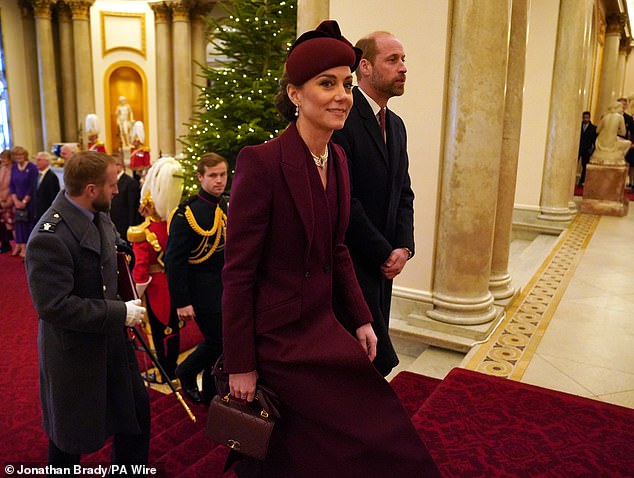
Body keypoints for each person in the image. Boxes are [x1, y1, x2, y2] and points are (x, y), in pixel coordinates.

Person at [222, 20, 439, 478]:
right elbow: (238, 275)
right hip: (276, 341)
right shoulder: (259, 164)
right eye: (326, 84)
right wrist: (242, 366)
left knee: (381, 429)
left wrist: (362, 318)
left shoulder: (336, 159)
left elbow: (338, 249)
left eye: (345, 82)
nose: (341, 94)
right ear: (296, 94)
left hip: (322, 325)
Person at [24, 151, 150, 470]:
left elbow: (111, 245)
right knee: (69, 441)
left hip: (111, 343)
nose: (117, 190)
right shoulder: (48, 237)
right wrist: (120, 313)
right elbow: (54, 306)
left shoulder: (97, 211)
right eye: (112, 185)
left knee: (135, 416)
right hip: (75, 353)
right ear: (91, 189)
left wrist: (127, 260)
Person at [332, 31, 414, 377]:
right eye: (393, 60)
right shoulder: (342, 121)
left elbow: (404, 192)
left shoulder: (395, 125)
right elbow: (344, 198)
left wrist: (404, 246)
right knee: (357, 358)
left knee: (372, 356)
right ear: (364, 66)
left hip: (385, 264)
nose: (403, 68)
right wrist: (383, 251)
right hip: (353, 262)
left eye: (404, 59)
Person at [164, 153, 227, 405]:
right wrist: (181, 302)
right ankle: (186, 371)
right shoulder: (186, 214)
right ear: (200, 177)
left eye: (222, 174)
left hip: (223, 288)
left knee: (222, 345)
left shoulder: (224, 204)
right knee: (218, 342)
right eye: (213, 176)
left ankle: (211, 393)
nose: (219, 181)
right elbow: (173, 261)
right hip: (200, 291)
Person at [129, 157, 184, 383]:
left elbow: (140, 270)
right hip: (174, 284)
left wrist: (134, 295)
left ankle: (163, 373)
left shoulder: (142, 232)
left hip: (154, 288)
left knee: (157, 333)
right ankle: (172, 368)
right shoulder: (175, 224)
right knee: (174, 329)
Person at [9, 146, 38, 258]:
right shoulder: (14, 167)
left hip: (29, 202)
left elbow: (32, 186)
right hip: (17, 201)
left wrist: (25, 201)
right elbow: (12, 185)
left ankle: (30, 249)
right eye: (16, 155)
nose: (18, 157)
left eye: (21, 155)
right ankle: (22, 247)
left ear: (25, 155)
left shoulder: (32, 167)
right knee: (19, 224)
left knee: (29, 223)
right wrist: (15, 200)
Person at [109, 153, 142, 241]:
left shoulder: (130, 183)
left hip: (124, 226)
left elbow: (132, 208)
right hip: (113, 224)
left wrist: (131, 227)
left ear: (119, 166)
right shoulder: (109, 181)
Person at [34, 152, 61, 222]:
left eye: (39, 160)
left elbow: (53, 197)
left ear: (47, 161)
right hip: (38, 212)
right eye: (36, 160)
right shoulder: (37, 175)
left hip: (47, 212)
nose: (36, 162)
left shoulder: (52, 177)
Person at [0, 149, 14, 253]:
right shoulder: (2, 168)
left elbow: (12, 186)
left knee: (13, 224)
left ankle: (20, 246)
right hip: (1, 198)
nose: (2, 160)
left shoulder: (14, 169)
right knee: (2, 223)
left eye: (4, 158)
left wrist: (8, 200)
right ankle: (5, 244)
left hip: (10, 199)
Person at [578, 111, 597, 187]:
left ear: (589, 118)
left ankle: (582, 181)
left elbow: (595, 140)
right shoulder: (578, 126)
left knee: (585, 165)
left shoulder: (593, 128)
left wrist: (592, 149)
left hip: (587, 149)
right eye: (584, 117)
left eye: (587, 117)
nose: (585, 119)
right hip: (578, 148)